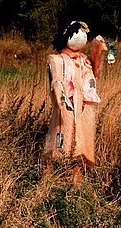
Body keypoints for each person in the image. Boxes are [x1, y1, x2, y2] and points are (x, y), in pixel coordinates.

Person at [44, 21, 108, 169]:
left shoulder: (84, 60)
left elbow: (94, 73)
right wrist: (60, 94)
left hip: (83, 109)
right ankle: (53, 172)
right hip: (67, 107)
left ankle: (75, 176)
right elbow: (56, 80)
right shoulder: (57, 59)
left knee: (79, 144)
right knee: (61, 139)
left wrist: (97, 49)